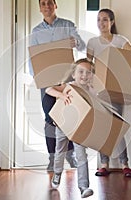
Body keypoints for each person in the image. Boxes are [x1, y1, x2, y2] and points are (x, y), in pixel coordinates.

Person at [87, 8, 131, 177]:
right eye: (99, 20)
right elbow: (88, 66)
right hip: (98, 91)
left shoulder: (120, 40)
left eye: (105, 20)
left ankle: (125, 164)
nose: (101, 23)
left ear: (112, 22)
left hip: (116, 91)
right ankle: (104, 165)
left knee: (116, 126)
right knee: (103, 127)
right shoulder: (93, 43)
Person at [30, 0, 86, 172]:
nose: (46, 6)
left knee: (68, 115)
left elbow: (82, 46)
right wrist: (37, 77)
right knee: (49, 119)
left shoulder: (67, 25)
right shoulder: (36, 32)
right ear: (40, 7)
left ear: (55, 5)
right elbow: (33, 57)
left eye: (49, 3)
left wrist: (75, 42)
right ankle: (53, 159)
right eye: (43, 3)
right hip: (46, 82)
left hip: (66, 79)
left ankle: (70, 154)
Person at [46, 58, 94, 198]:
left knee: (81, 155)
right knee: (60, 151)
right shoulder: (69, 85)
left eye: (88, 72)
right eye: (81, 72)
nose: (84, 75)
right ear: (73, 74)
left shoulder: (91, 91)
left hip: (79, 127)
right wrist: (61, 95)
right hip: (62, 125)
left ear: (92, 76)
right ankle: (57, 173)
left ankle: (84, 187)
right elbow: (49, 89)